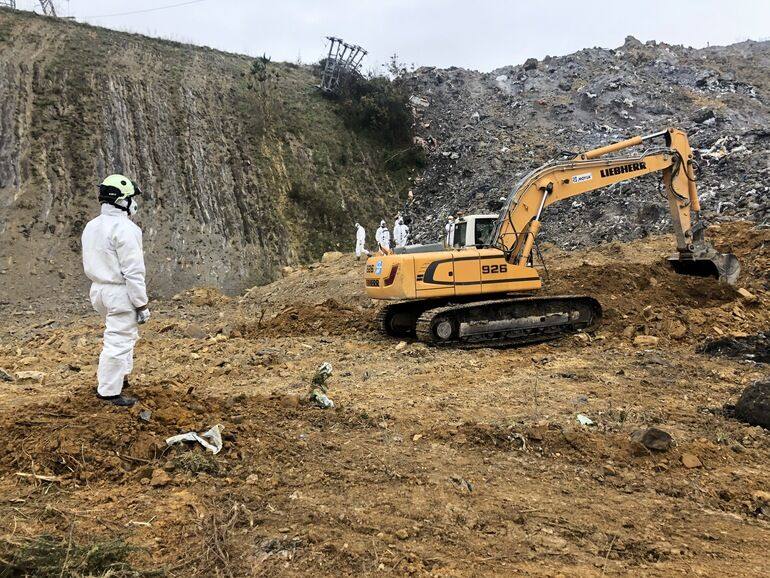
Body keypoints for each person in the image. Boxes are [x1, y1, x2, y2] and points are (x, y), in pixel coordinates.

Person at [82, 174, 150, 407]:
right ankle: (109, 392)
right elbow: (133, 271)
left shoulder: (92, 226)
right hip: (119, 292)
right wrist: (141, 304)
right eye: (130, 197)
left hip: (98, 291)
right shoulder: (126, 228)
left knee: (123, 334)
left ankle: (121, 377)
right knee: (118, 339)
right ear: (122, 200)